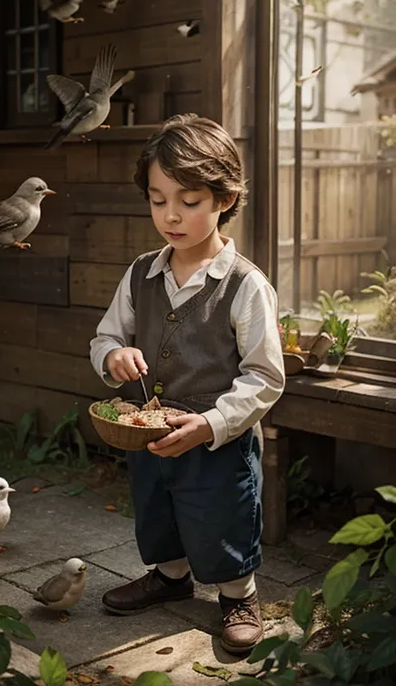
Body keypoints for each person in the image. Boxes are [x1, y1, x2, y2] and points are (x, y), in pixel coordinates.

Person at [90, 113, 285, 655]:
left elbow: (265, 376)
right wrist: (115, 356)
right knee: (157, 507)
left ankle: (237, 595)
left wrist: (211, 423)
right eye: (158, 200)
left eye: (189, 201)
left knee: (220, 514)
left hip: (216, 435)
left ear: (223, 198)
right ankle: (171, 577)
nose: (170, 216)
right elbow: (104, 339)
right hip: (148, 432)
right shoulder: (139, 274)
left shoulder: (245, 285)